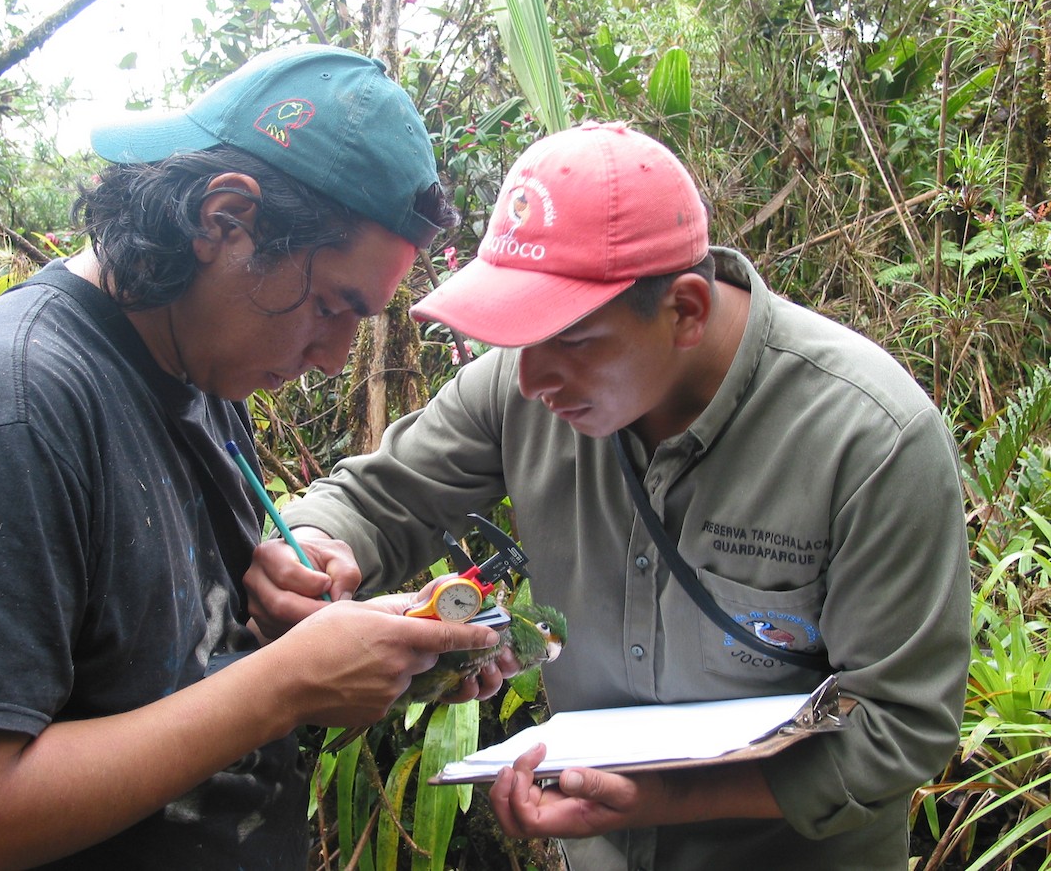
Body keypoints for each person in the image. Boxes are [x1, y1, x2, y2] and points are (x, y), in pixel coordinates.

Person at [247, 121, 972, 869]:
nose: (530, 380)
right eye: (516, 337)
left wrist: (668, 800)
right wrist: (315, 547)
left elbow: (901, 726)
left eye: (571, 338)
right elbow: (381, 498)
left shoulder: (870, 438)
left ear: (685, 309)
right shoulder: (521, 387)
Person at [0, 44, 505, 869]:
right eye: (328, 306)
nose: (338, 356)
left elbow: (176, 676)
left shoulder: (195, 371)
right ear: (224, 219)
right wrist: (284, 686)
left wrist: (306, 617)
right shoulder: (6, 404)